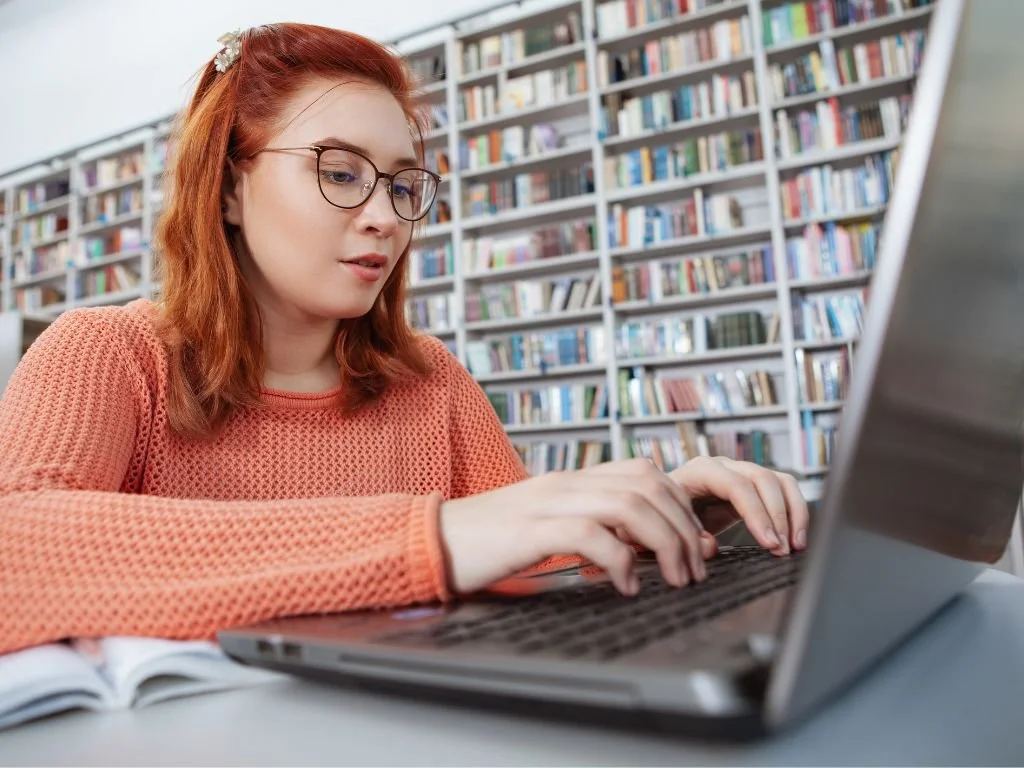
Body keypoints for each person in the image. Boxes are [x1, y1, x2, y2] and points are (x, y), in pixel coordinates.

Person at [0, 23, 808, 656]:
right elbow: (14, 554)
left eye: (401, 184)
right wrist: (429, 537)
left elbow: (528, 565)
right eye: (340, 172)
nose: (385, 217)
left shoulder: (430, 380)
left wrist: (652, 522)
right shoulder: (108, 352)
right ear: (229, 188)